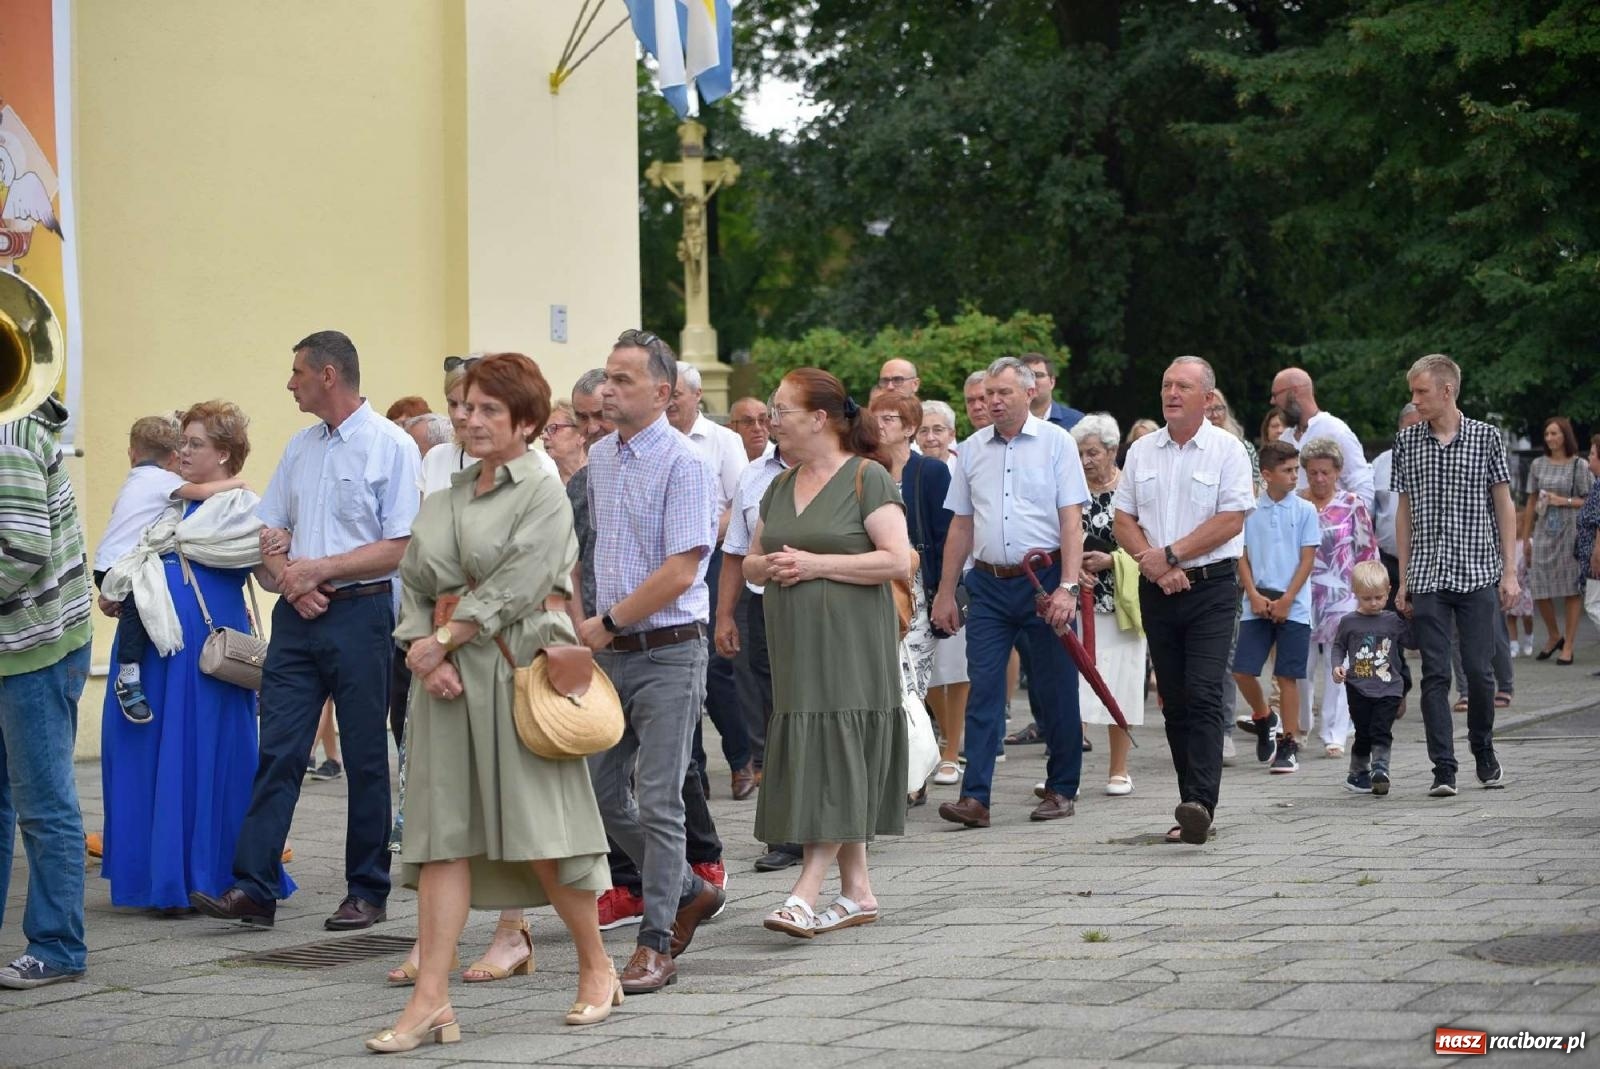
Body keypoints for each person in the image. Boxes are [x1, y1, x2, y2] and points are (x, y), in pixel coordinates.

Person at [365, 354, 618, 1053]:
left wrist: (441, 639)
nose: (470, 418)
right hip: (444, 680)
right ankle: (432, 1000)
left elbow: (518, 582)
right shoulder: (444, 493)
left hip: (515, 675)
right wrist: (425, 644)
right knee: (441, 836)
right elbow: (413, 579)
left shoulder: (541, 490)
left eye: (488, 410)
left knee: (542, 835)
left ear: (527, 423)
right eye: (467, 406)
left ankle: (597, 969)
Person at [190, 330, 421, 930]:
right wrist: (290, 576)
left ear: (328, 374)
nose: (288, 383)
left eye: (296, 372)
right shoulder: (299, 447)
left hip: (363, 613)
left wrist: (318, 570)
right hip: (297, 616)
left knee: (367, 756)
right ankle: (255, 887)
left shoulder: (390, 446)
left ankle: (366, 890)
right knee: (278, 750)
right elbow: (270, 532)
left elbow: (400, 545)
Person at [99, 401, 297, 913]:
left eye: (195, 444)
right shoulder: (165, 504)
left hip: (208, 658)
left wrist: (288, 551)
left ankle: (216, 873)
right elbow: (126, 554)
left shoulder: (246, 509)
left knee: (208, 754)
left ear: (225, 454)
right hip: (150, 653)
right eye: (181, 443)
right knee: (145, 753)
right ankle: (153, 879)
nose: (181, 452)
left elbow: (272, 578)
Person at [578, 330, 725, 994]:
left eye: (623, 380)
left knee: (662, 799)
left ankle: (655, 940)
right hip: (610, 655)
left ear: (662, 392)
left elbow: (680, 569)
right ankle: (690, 886)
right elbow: (595, 550)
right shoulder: (601, 457)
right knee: (604, 795)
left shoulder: (687, 463)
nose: (608, 389)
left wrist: (604, 623)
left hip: (668, 650)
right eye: (607, 378)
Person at [744, 368, 912, 936]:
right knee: (826, 755)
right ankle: (858, 892)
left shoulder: (868, 478)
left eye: (780, 410)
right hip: (795, 648)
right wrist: (767, 566)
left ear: (819, 419)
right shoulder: (778, 484)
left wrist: (816, 565)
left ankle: (804, 891)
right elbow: (748, 561)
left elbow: (897, 560)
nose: (772, 421)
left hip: (852, 647)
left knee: (839, 759)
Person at [932, 356, 1088, 829]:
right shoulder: (972, 450)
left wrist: (1068, 586)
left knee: (1054, 687)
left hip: (1044, 580)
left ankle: (1062, 788)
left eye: (1003, 393)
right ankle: (975, 797)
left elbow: (1071, 521)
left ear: (1027, 393)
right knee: (983, 688)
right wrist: (945, 591)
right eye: (986, 395)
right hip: (989, 584)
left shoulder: (1057, 442)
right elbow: (960, 523)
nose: (993, 402)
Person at [1112, 356, 1253, 845]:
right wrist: (1153, 563)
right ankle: (1189, 802)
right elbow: (1122, 517)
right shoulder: (1142, 452)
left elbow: (1231, 519)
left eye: (1183, 386)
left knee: (1204, 691)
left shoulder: (1227, 451)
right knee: (1172, 698)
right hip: (1157, 587)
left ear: (1207, 398)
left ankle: (1201, 803)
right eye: (1166, 384)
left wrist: (1170, 555)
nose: (1172, 393)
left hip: (1211, 586)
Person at [1393, 353, 1519, 796]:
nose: (1415, 400)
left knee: (1479, 672)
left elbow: (1504, 505)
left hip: (1478, 570)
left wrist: (1510, 571)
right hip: (1428, 573)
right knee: (1434, 673)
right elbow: (1403, 512)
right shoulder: (1406, 443)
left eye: (1421, 391)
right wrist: (1405, 578)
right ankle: (1443, 768)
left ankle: (1483, 749)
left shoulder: (1486, 438)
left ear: (1446, 390)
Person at [0, 397, 92, 989]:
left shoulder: (8, 437)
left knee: (44, 804)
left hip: (32, 646)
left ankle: (58, 947)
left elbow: (24, 549)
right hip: (27, 641)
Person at [717, 397, 798, 872]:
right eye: (773, 414)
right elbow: (734, 552)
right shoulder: (755, 474)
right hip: (765, 606)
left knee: (820, 710)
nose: (772, 423)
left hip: (825, 606)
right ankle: (786, 831)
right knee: (776, 716)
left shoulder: (843, 466)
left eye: (781, 413)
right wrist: (726, 614)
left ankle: (839, 818)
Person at [668, 361, 755, 799]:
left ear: (696, 396)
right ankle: (695, 773)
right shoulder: (656, 440)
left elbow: (740, 504)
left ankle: (742, 760)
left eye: (677, 395)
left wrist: (695, 533)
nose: (670, 403)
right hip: (668, 564)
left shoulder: (723, 441)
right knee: (683, 665)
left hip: (715, 556)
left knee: (716, 668)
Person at [1069, 413, 1147, 795]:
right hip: (1073, 602)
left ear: (1113, 450)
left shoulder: (1130, 492)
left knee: (1122, 685)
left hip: (1120, 605)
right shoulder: (1069, 491)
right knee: (1072, 688)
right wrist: (1070, 570)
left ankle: (1119, 769)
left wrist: (1112, 560)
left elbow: (1148, 546)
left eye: (1093, 453)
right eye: (1080, 453)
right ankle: (1068, 773)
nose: (1085, 461)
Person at [1231, 440, 1319, 774]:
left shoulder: (1305, 510)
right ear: (1266, 474)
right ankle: (1264, 716)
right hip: (1257, 600)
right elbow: (1241, 554)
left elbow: (1307, 560)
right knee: (1243, 669)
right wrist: (1252, 594)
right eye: (1288, 470)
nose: (1295, 475)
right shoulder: (1250, 510)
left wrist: (1287, 600)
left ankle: (1289, 741)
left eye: (1297, 469)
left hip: (1293, 604)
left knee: (1287, 675)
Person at [94, 415, 184, 724]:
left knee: (134, 610)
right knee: (139, 607)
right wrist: (235, 483)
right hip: (122, 569)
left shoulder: (133, 482)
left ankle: (129, 675)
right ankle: (128, 676)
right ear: (174, 458)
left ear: (132, 452)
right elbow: (200, 492)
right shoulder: (165, 482)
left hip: (106, 566)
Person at [1297, 437, 1378, 758]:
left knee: (1339, 664)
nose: (1319, 479)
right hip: (1302, 592)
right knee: (1300, 666)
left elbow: (1367, 550)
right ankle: (1301, 724)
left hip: (1342, 594)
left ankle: (1335, 733)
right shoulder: (1296, 503)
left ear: (1338, 472)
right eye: (1313, 472)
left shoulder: (1352, 503)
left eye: (1325, 473)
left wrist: (1368, 593)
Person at [870, 390, 951, 701]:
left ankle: (912, 747)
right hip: (874, 585)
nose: (879, 425)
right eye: (874, 419)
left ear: (909, 428)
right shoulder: (865, 470)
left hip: (917, 590)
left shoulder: (930, 471)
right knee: (880, 681)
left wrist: (945, 595)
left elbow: (946, 537)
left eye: (888, 419)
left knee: (906, 680)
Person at [918, 400, 969, 786]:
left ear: (952, 434)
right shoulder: (914, 471)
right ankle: (946, 735)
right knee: (931, 669)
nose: (931, 436)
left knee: (958, 665)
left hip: (964, 577)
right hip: (923, 581)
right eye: (924, 430)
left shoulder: (963, 467)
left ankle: (952, 751)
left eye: (938, 429)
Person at [1331, 561, 1412, 796]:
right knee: (1363, 732)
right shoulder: (1349, 622)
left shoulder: (1392, 621)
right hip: (1358, 687)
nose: (1374, 603)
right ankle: (1358, 772)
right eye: (1367, 598)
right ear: (1355, 593)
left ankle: (1380, 769)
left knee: (1381, 729)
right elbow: (1339, 646)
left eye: (1378, 597)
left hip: (1390, 687)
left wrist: (1411, 617)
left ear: (1388, 591)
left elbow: (1412, 642)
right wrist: (1337, 666)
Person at [1521, 416, 1593, 664]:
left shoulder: (1579, 466)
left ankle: (1569, 645)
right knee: (1539, 586)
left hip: (1570, 531)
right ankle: (1553, 634)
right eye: (1547, 434)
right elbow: (1531, 501)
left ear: (1565, 435)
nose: (1550, 438)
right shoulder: (1538, 465)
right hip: (1543, 531)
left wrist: (1564, 501)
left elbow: (1592, 501)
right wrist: (1526, 537)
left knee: (1571, 589)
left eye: (1555, 433)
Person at [1271, 367, 1375, 511]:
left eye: (1276, 395)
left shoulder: (1335, 431)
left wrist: (1343, 522)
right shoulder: (1285, 438)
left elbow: (1362, 486)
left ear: (1294, 392)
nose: (1272, 401)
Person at [1575, 433, 1600, 678]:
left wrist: (1597, 551)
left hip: (1596, 556)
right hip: (1591, 552)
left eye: (1592, 454)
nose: (1589, 458)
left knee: (1594, 605)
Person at [1021, 352, 1084, 431]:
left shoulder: (1077, 422)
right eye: (1026, 376)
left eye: (1039, 375)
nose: (1032, 381)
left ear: (1052, 382)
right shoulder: (1007, 422)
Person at [541, 400, 588, 484]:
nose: (544, 436)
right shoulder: (543, 479)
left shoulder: (599, 475)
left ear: (581, 435)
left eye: (553, 428)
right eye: (545, 430)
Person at [728, 396, 772, 461]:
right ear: (733, 427)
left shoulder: (784, 459)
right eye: (748, 421)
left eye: (762, 420)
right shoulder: (724, 458)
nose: (757, 428)